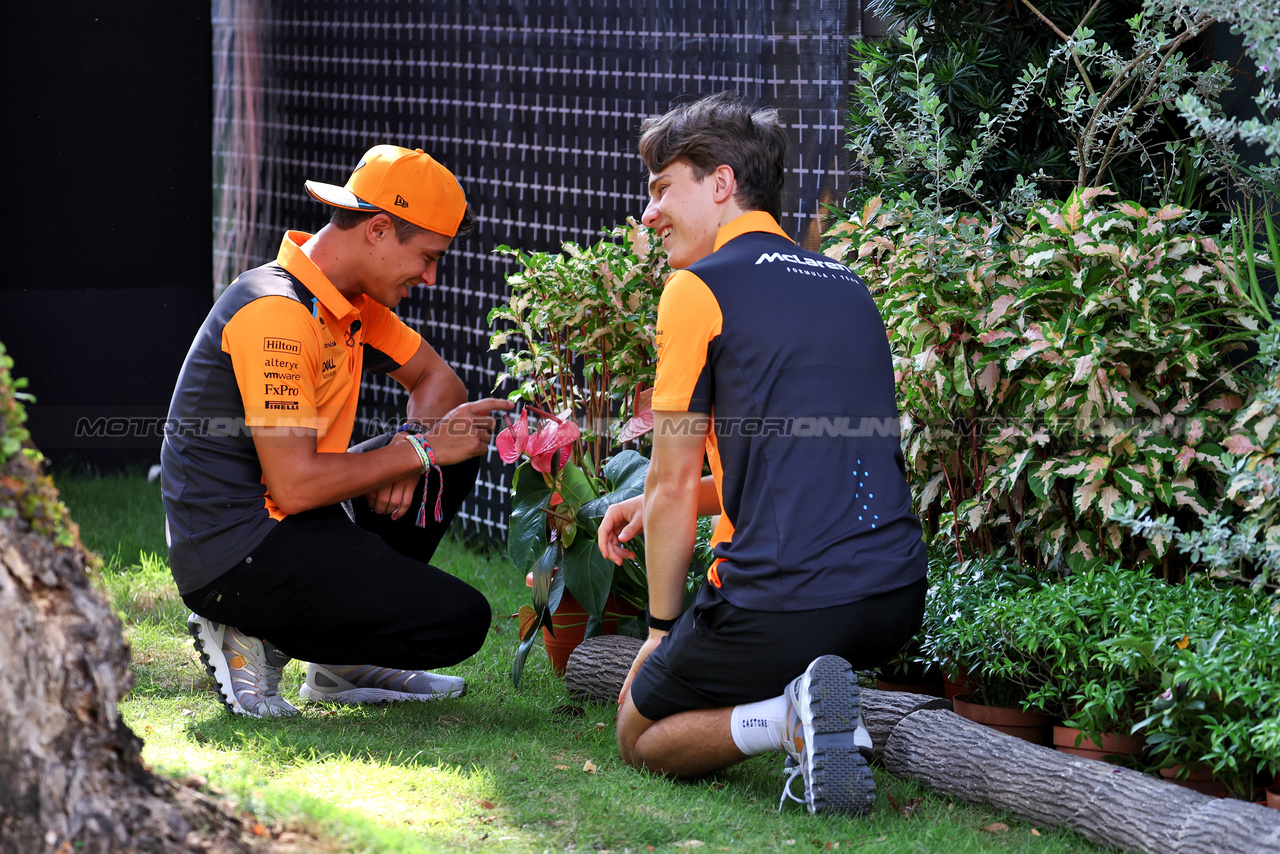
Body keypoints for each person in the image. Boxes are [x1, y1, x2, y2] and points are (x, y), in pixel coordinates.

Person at [596, 93, 928, 816]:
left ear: (720, 184)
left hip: (790, 601)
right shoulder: (848, 286)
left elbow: (674, 480)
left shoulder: (696, 288)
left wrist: (659, 632)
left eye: (661, 189)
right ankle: (810, 697)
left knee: (636, 731)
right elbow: (804, 459)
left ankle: (790, 718)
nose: (648, 214)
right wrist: (663, 500)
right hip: (894, 597)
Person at [161, 144, 512, 718]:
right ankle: (249, 635)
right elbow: (296, 485)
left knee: (455, 452)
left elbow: (439, 382)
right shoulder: (273, 310)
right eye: (427, 256)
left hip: (292, 521)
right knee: (460, 621)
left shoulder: (349, 302)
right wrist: (416, 451)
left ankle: (338, 667)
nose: (430, 276)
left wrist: (415, 449)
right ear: (377, 229)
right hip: (234, 556)